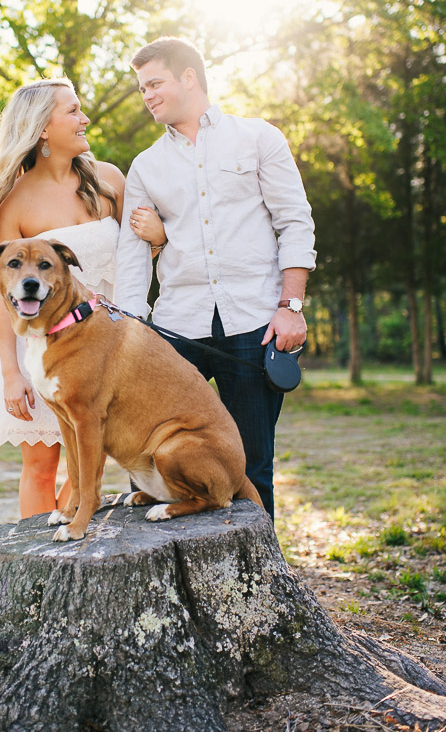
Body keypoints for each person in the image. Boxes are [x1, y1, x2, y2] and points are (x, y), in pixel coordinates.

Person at [115, 37, 316, 521]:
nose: (148, 96)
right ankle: (161, 581)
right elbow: (133, 251)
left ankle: (262, 582)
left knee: (251, 466)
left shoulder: (259, 138)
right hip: (174, 329)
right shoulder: (146, 165)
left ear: (189, 78)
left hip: (254, 322)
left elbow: (294, 222)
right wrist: (130, 325)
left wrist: (291, 308)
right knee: (146, 456)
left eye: (155, 83)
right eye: (142, 88)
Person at [0, 77, 166, 519]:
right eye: (72, 111)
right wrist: (11, 372)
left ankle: (68, 549)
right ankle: (36, 572)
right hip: (37, 348)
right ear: (41, 128)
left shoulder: (109, 180)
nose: (85, 118)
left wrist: (158, 238)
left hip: (101, 350)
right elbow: (4, 297)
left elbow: (138, 255)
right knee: (41, 466)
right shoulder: (14, 202)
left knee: (89, 463)